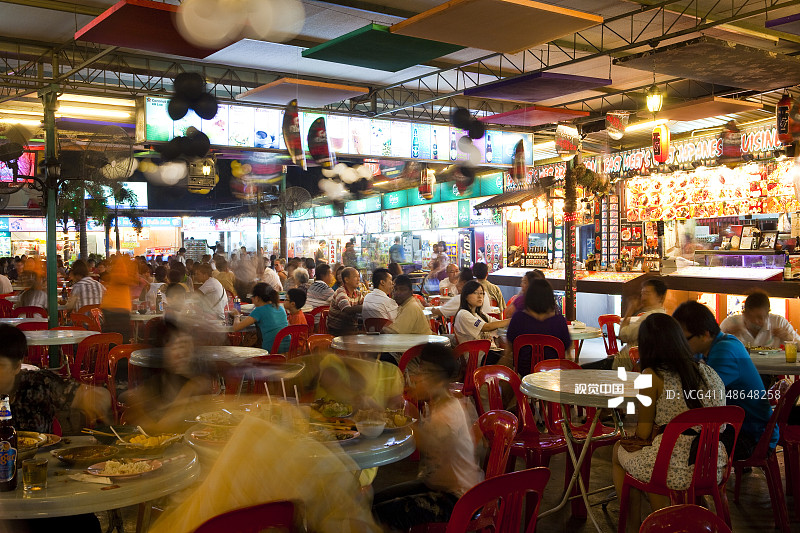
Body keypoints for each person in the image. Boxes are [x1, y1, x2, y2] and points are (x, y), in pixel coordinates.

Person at [612, 313, 727, 533]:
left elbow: (643, 433)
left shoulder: (652, 375)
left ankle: (634, 526)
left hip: (673, 467)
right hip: (712, 465)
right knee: (656, 453)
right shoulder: (708, 371)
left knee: (619, 450)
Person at [0, 324, 111, 533]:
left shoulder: (37, 384)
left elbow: (93, 395)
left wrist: (94, 399)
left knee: (87, 525)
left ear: (17, 366)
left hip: (40, 485)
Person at [373, 343, 483, 530]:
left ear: (438, 380)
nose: (415, 378)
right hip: (438, 485)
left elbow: (428, 443)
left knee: (379, 513)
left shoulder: (447, 415)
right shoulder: (444, 402)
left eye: (422, 373)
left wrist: (405, 416)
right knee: (375, 501)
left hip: (457, 499)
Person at [673, 300, 777, 460]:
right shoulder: (709, 348)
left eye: (684, 339)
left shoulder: (724, 351)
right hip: (740, 428)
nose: (680, 345)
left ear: (705, 334)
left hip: (754, 437)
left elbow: (701, 397)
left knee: (683, 447)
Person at [505, 278, 571, 375]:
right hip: (553, 374)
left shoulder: (518, 318)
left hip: (525, 373)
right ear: (550, 298)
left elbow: (509, 350)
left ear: (528, 297)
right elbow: (567, 351)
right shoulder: (559, 321)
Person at [720, 290, 800, 349]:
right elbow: (713, 349)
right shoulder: (730, 323)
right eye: (751, 317)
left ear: (768, 315)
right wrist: (724, 337)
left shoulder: (779, 322)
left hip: (772, 366)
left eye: (760, 317)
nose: (755, 321)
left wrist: (788, 338)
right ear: (744, 313)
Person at [454, 281, 509, 364]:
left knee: (513, 355)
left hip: (489, 352)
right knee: (512, 358)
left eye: (482, 293)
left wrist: (512, 322)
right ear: (466, 296)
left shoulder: (480, 314)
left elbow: (496, 322)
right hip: (476, 357)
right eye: (475, 293)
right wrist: (509, 321)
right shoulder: (463, 314)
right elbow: (486, 327)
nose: (480, 296)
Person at [233, 283, 289, 352]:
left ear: (256, 298)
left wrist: (236, 315)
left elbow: (236, 328)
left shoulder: (259, 310)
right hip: (288, 349)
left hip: (272, 350)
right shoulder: (280, 308)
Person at [326, 267, 364, 337]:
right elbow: (347, 310)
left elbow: (364, 305)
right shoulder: (340, 292)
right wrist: (366, 307)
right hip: (337, 331)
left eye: (359, 276)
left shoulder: (357, 293)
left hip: (351, 329)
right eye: (355, 277)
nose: (358, 279)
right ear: (346, 280)